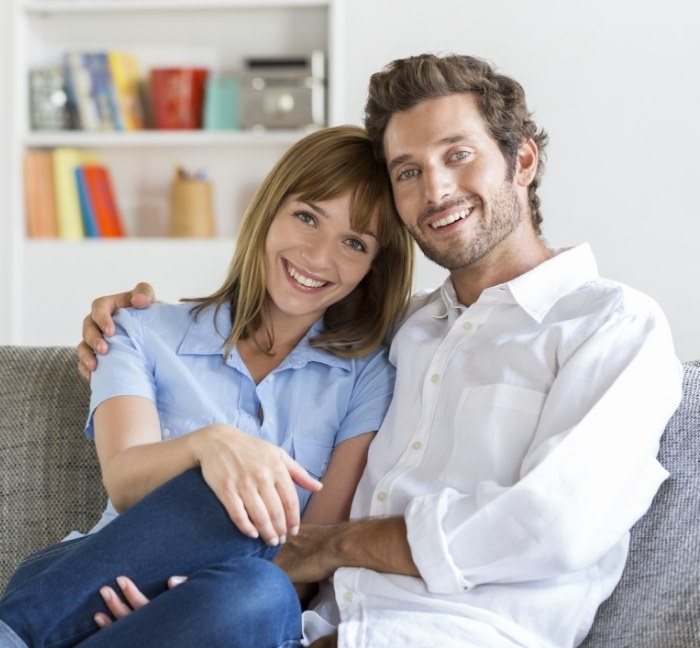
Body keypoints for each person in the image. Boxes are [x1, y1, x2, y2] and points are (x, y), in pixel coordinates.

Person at [6, 52, 683, 648]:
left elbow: (550, 527)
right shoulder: (409, 333)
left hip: (450, 635)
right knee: (246, 568)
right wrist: (125, 319)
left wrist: (327, 546)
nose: (436, 190)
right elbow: (276, 308)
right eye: (408, 171)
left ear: (522, 159)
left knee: (253, 572)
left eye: (458, 154)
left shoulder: (613, 326)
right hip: (299, 629)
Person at [0, 125, 414, 648]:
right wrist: (210, 445)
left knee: (261, 591)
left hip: (227, 613)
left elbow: (309, 554)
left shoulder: (369, 375)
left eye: (354, 243)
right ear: (270, 211)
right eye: (307, 217)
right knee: (225, 482)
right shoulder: (137, 329)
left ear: (374, 267)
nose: (317, 256)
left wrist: (180, 603)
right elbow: (126, 481)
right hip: (83, 584)